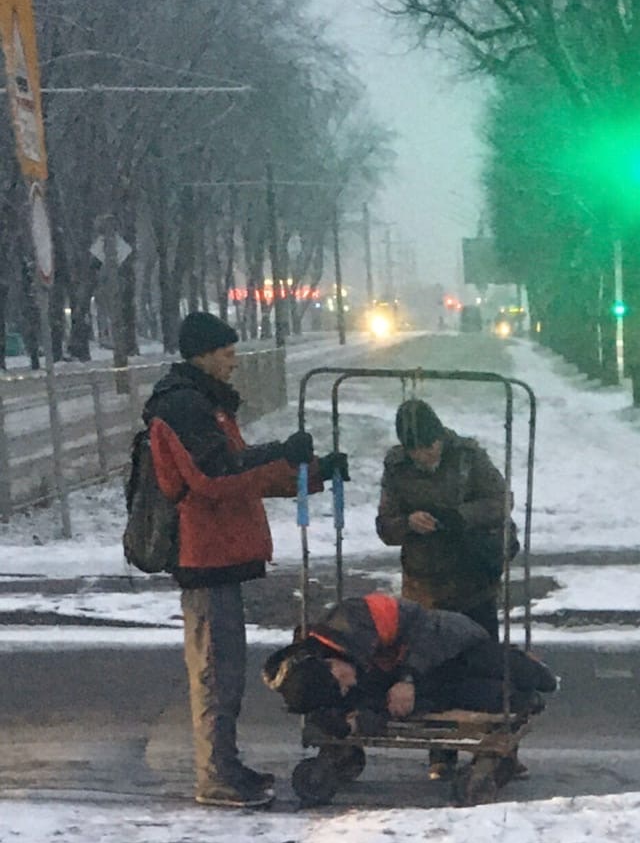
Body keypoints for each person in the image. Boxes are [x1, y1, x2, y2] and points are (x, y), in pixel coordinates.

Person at [144, 310, 348, 808]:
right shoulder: (183, 407)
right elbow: (215, 478)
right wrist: (284, 452)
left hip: (222, 556)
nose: (234, 363)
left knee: (226, 671)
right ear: (204, 354)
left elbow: (241, 472)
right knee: (216, 672)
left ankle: (226, 765)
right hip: (203, 556)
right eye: (228, 354)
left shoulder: (205, 405)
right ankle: (216, 776)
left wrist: (312, 471)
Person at [376, 399, 517, 777]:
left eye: (431, 446)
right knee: (431, 668)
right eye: (418, 450)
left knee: (483, 665)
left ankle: (497, 747)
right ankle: (441, 752)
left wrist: (459, 517)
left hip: (474, 579)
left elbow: (501, 502)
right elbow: (385, 525)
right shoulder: (396, 468)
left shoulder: (468, 456)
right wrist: (408, 522)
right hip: (426, 585)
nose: (426, 455)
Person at [263, 593, 555, 742]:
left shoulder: (353, 619)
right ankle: (518, 696)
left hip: (448, 640)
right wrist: (355, 721)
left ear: (327, 663)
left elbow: (424, 627)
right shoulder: (334, 677)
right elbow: (368, 700)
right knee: (481, 696)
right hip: (423, 679)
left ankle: (530, 669)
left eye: (341, 680)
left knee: (525, 675)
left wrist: (407, 678)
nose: (348, 685)